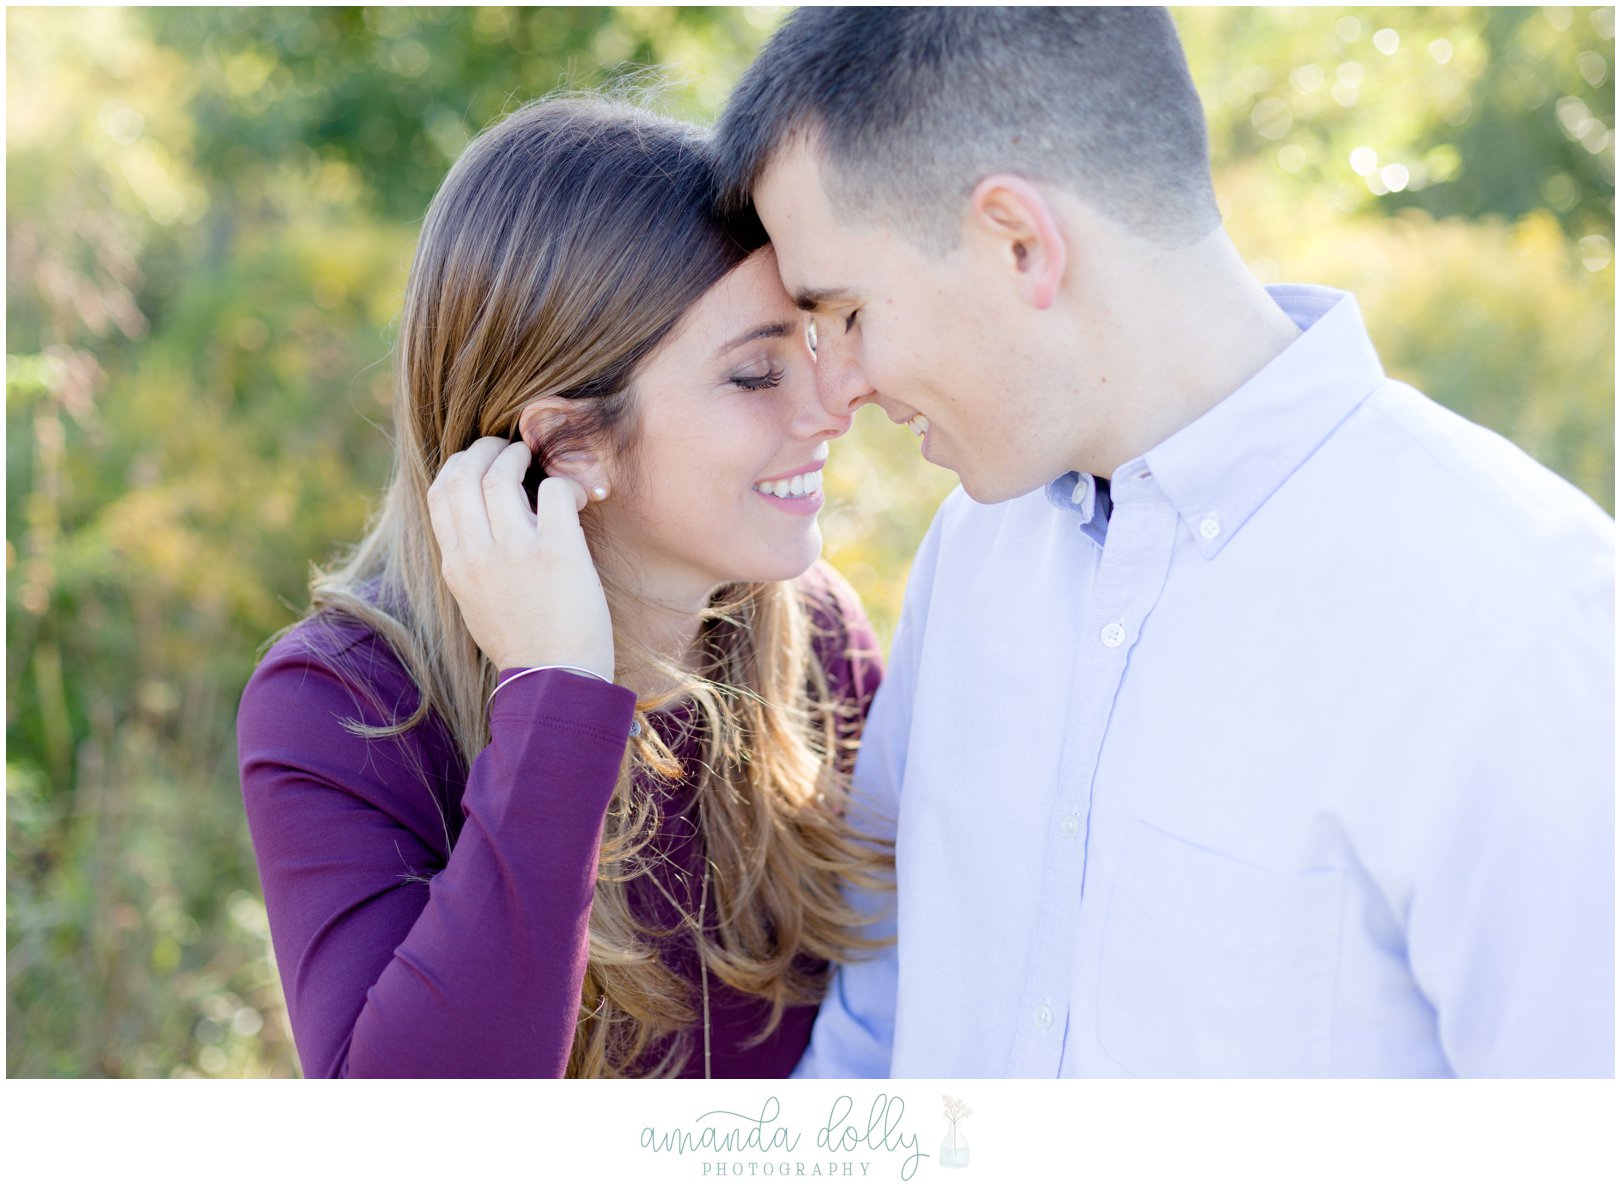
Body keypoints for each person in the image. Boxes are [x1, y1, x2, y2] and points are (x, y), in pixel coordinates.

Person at [712, 7, 1614, 1077]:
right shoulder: (973, 552)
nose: (837, 384)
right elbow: (876, 1029)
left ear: (1019, 242)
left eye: (846, 312)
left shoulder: (1523, 617)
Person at [235, 97, 890, 1078]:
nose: (834, 402)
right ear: (567, 443)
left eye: (812, 343)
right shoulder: (340, 707)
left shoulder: (815, 635)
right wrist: (557, 697)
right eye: (757, 375)